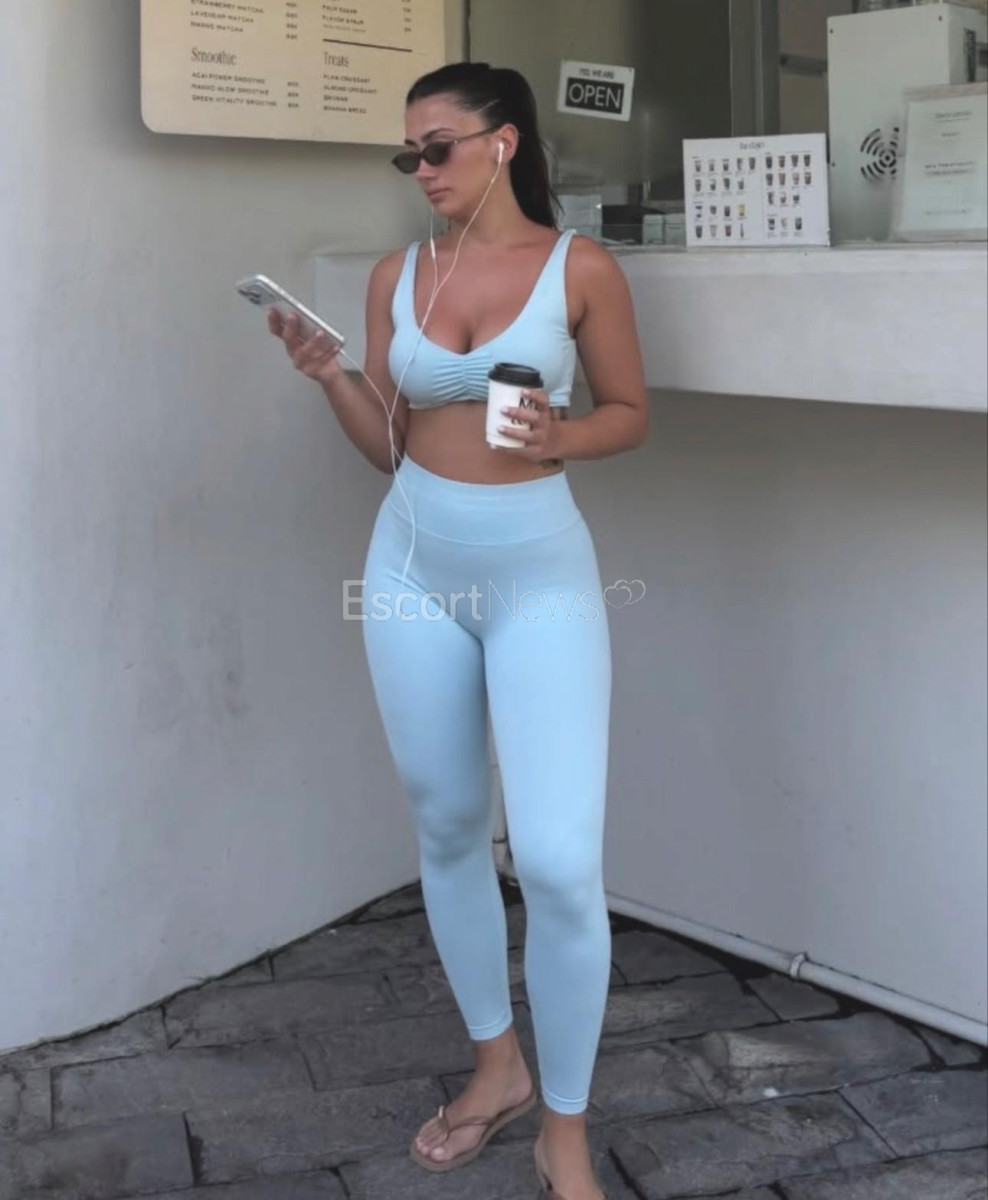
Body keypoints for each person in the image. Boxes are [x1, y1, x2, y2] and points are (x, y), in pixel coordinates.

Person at [269, 61, 647, 1200]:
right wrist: (330, 375)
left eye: (437, 147)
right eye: (409, 154)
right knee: (446, 825)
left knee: (560, 864)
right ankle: (499, 1069)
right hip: (409, 568)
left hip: (538, 577)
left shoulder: (580, 268)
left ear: (504, 142)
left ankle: (566, 1129)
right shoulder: (401, 274)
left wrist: (560, 438)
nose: (420, 170)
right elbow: (387, 445)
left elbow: (629, 415)